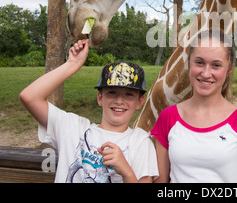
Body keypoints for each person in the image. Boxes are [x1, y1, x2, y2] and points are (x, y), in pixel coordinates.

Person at [20, 39, 158, 183]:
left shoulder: (140, 141)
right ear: (100, 98)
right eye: (112, 92)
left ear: (139, 102)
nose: (119, 100)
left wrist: (127, 172)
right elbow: (29, 97)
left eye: (129, 95)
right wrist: (71, 64)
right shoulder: (73, 128)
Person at [151, 29, 237, 183]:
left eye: (216, 65)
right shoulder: (168, 117)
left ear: (229, 69)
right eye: (199, 62)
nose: (206, 73)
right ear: (189, 63)